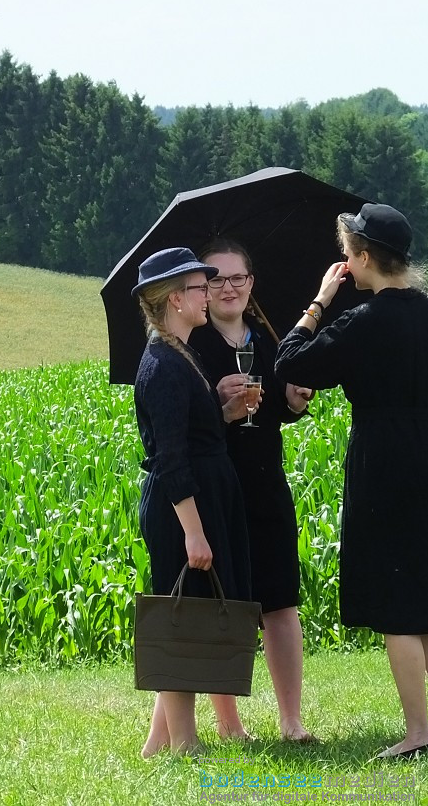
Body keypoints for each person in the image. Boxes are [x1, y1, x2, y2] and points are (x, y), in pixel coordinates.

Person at [275, 204, 428, 758]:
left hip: (383, 464)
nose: (344, 263)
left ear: (364, 257)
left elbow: (291, 362)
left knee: (395, 600)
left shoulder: (361, 321)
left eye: (347, 254)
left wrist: (318, 302)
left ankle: (416, 732)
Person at [187, 239, 317, 744]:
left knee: (281, 603)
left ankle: (291, 721)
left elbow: (278, 412)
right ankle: (229, 724)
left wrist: (295, 400)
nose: (228, 288)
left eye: (238, 278)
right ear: (201, 288)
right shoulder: (192, 347)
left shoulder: (267, 341)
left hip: (267, 486)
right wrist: (221, 413)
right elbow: (188, 431)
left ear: (251, 284)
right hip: (218, 489)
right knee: (230, 606)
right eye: (216, 280)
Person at [132, 246, 253, 758]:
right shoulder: (162, 365)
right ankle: (183, 743)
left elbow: (193, 434)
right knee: (181, 620)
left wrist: (224, 411)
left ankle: (159, 741)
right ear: (176, 299)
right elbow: (171, 458)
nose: (211, 294)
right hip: (183, 507)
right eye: (202, 287)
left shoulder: (181, 354)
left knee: (189, 612)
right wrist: (194, 531)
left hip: (202, 498)